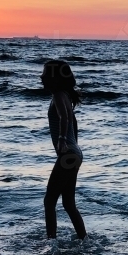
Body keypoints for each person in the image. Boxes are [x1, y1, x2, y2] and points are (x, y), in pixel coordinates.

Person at [41, 60, 87, 240]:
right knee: (68, 203)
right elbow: (73, 123)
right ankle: (84, 239)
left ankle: (51, 243)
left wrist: (62, 141)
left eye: (45, 73)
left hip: (68, 154)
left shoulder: (59, 95)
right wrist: (73, 147)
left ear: (54, 78)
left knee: (49, 201)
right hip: (74, 154)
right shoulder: (65, 96)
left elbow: (64, 118)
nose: (41, 76)